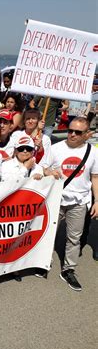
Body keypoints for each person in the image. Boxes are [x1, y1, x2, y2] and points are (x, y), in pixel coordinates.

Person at [40, 118, 98, 291]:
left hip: (79, 201)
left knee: (74, 238)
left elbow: (95, 177)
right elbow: (42, 167)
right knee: (48, 233)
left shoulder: (93, 152)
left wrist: (97, 201)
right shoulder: (56, 148)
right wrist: (49, 171)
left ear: (87, 135)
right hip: (56, 199)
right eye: (70, 130)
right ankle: (43, 263)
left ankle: (68, 270)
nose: (72, 134)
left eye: (78, 132)